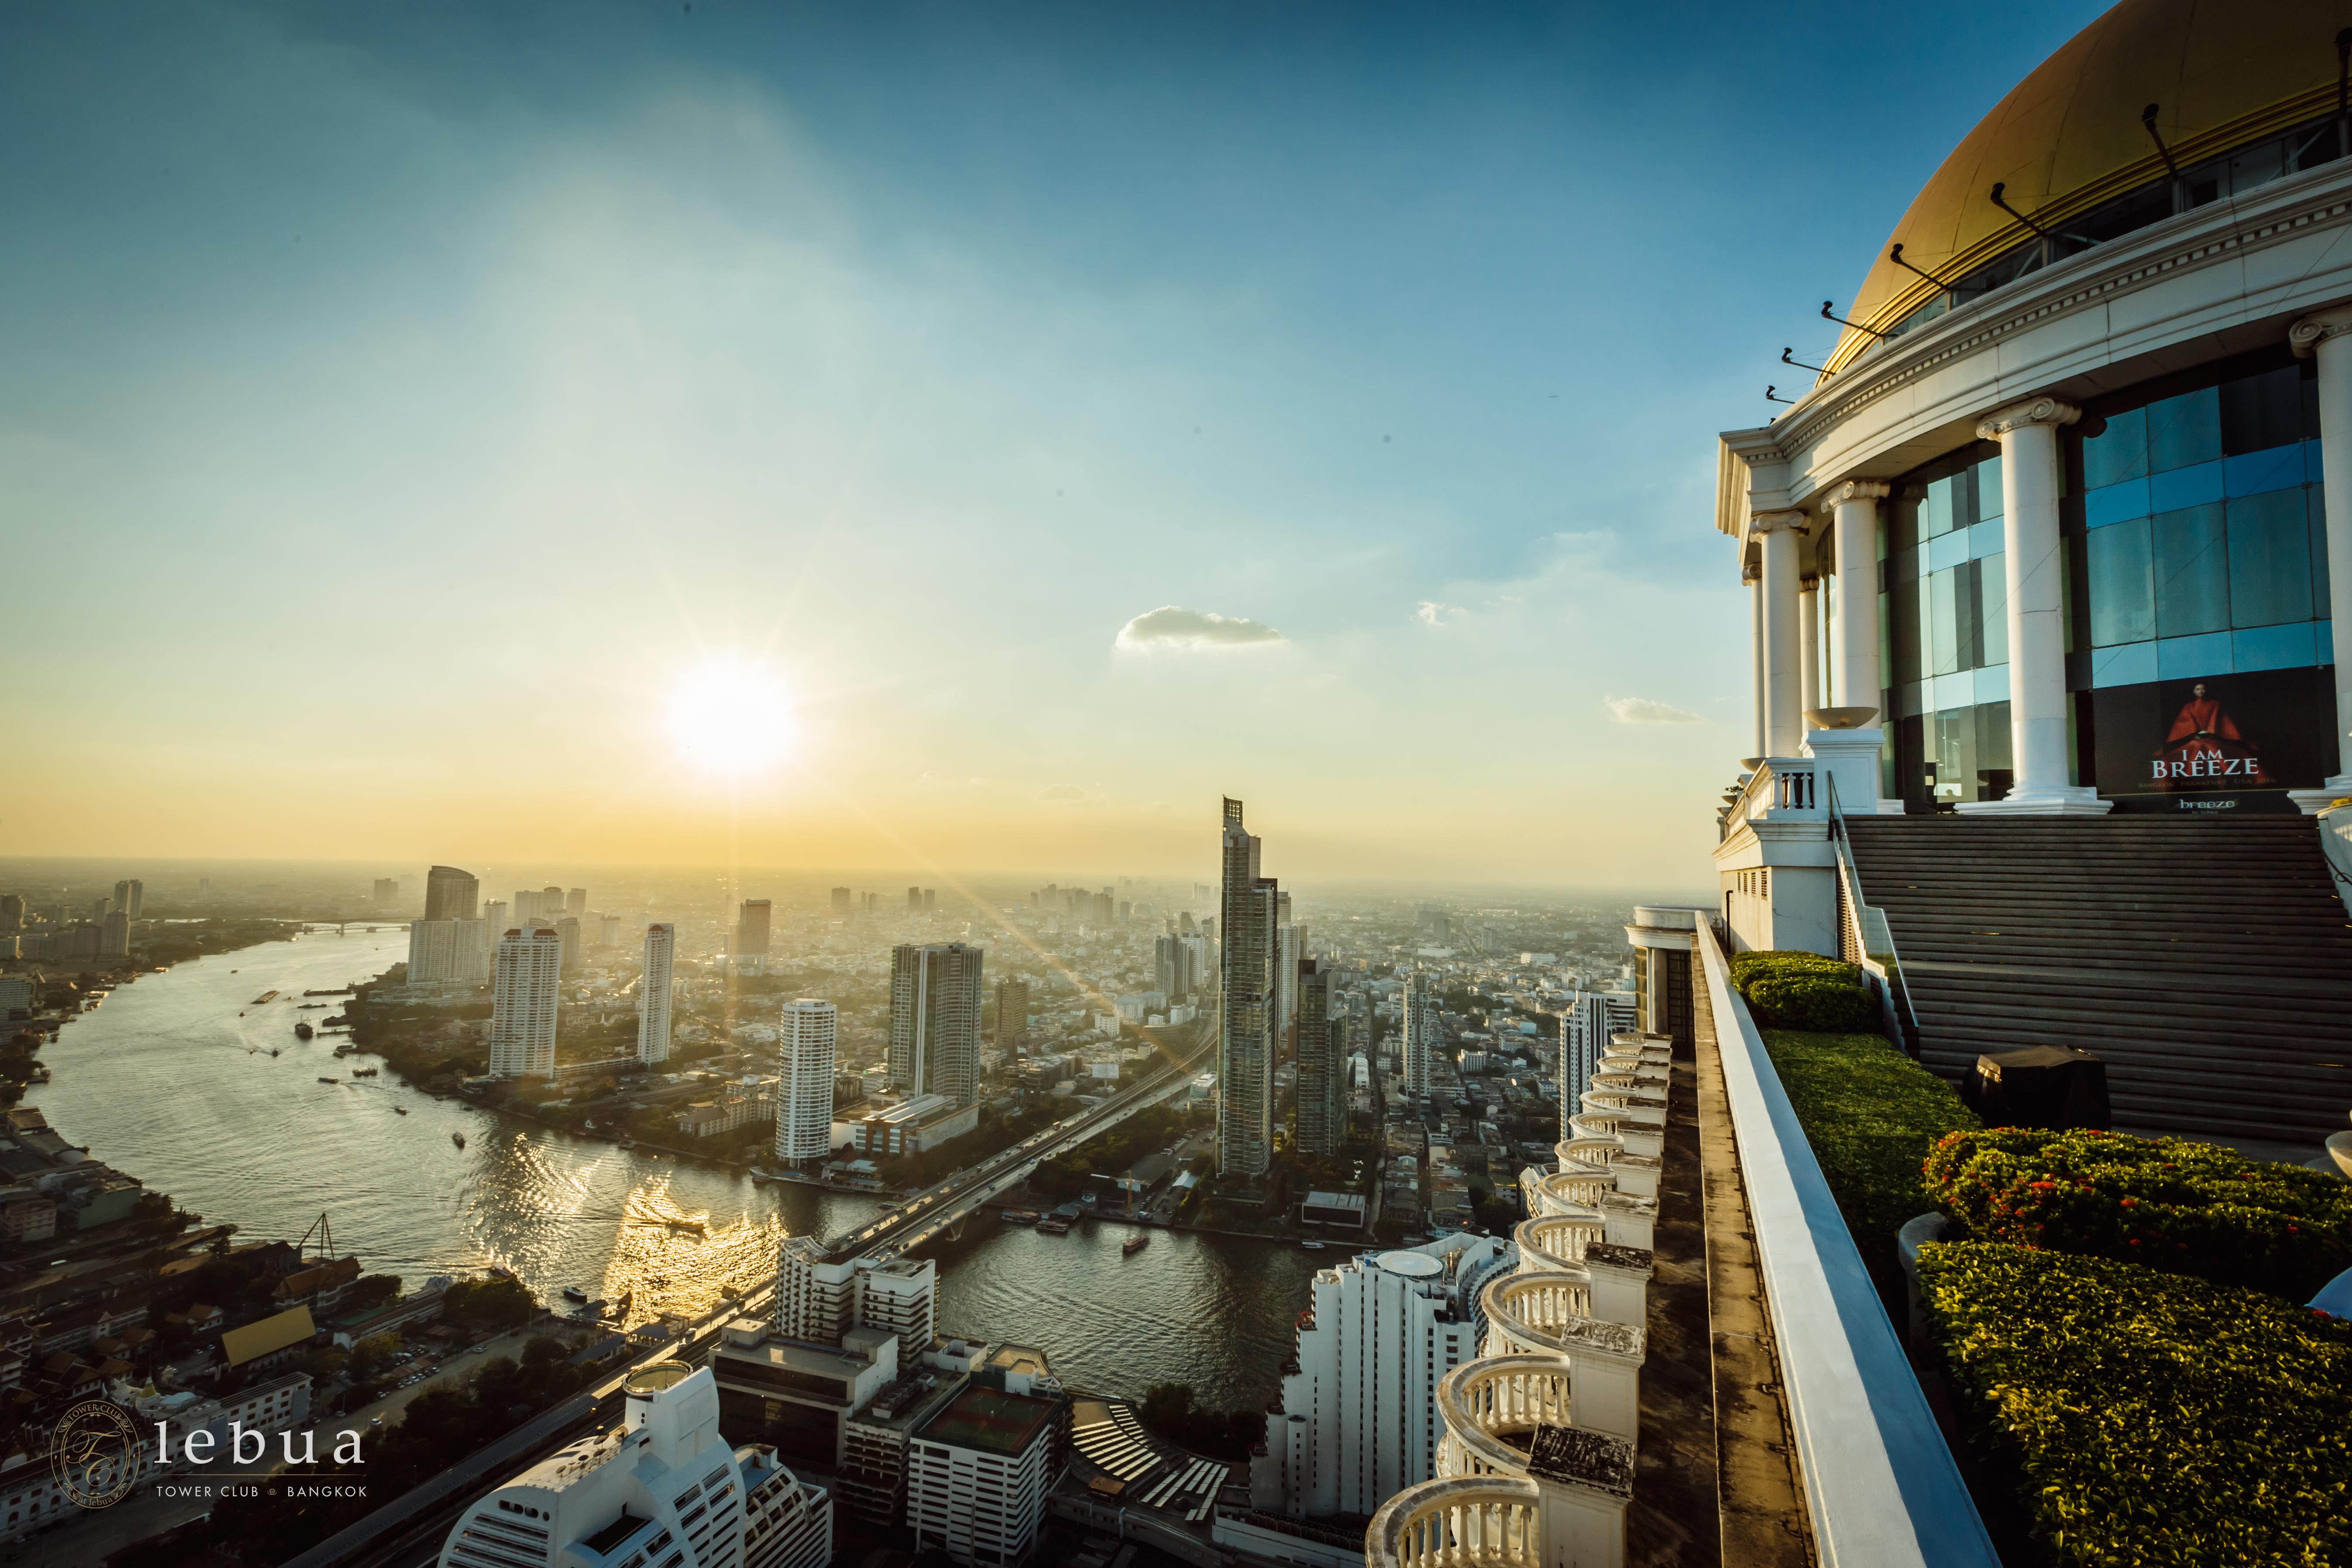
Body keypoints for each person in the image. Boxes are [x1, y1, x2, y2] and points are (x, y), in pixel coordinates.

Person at [2152, 681, 2269, 788]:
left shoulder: (2215, 704)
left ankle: (2222, 783)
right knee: (2194, 748)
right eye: (2198, 689)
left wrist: (2212, 733)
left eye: (2203, 689)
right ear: (2194, 691)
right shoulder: (2189, 706)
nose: (2201, 691)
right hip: (2194, 739)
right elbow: (2185, 724)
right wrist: (2194, 735)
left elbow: (2219, 721)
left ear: (2206, 690)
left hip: (2213, 738)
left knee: (2214, 748)